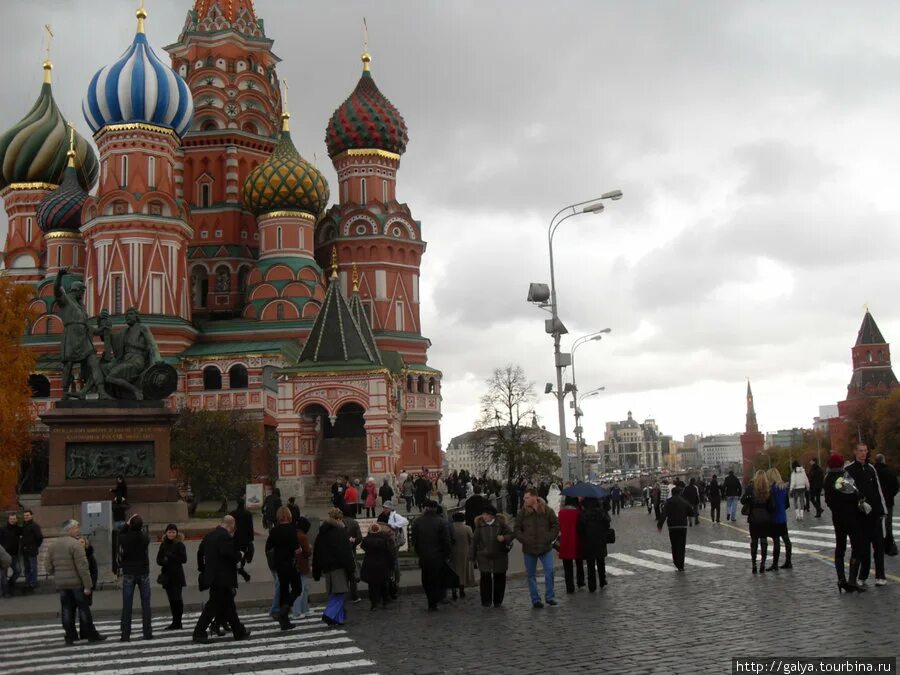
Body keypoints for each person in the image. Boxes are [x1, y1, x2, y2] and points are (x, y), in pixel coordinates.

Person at [46, 519, 106, 645]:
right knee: (83, 609)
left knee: (67, 609)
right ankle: (90, 634)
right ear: (70, 529)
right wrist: (88, 585)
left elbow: (48, 567)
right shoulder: (75, 544)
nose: (78, 530)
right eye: (76, 528)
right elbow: (83, 567)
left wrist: (57, 574)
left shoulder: (53, 545)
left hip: (62, 584)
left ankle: (70, 635)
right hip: (77, 583)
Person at [193, 515, 250, 643]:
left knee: (229, 606)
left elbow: (200, 551)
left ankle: (239, 632)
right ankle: (199, 632)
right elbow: (227, 553)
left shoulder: (210, 535)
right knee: (212, 607)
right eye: (234, 528)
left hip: (214, 576)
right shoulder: (224, 536)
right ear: (231, 526)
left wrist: (203, 569)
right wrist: (239, 555)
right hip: (222, 578)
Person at [844, 444, 888, 587]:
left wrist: (883, 509)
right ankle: (863, 575)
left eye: (865, 451)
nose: (863, 454)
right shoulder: (849, 470)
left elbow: (878, 489)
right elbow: (846, 491)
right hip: (860, 515)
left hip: (875, 513)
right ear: (855, 452)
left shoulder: (871, 468)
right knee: (863, 548)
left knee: (878, 546)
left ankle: (880, 576)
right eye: (860, 451)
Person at [824, 452, 867, 592]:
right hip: (851, 516)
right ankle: (852, 580)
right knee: (857, 546)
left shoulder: (827, 479)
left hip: (837, 517)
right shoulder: (842, 478)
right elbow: (854, 494)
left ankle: (841, 580)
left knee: (840, 547)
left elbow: (828, 500)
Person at [514, 488, 559, 609]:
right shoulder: (522, 512)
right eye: (524, 498)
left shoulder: (546, 510)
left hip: (545, 547)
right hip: (529, 548)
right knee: (531, 575)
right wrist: (523, 539)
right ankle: (535, 599)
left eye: (527, 497)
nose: (525, 500)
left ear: (534, 497)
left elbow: (555, 525)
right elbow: (516, 528)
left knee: (549, 571)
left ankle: (550, 597)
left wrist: (549, 537)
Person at [312, 508, 356, 626]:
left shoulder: (322, 533)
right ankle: (329, 615)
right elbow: (345, 552)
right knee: (340, 593)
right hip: (339, 567)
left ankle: (338, 618)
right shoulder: (340, 532)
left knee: (333, 593)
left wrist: (316, 571)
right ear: (338, 519)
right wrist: (351, 568)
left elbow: (317, 553)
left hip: (327, 568)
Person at [410, 500, 451, 611]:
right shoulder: (441, 522)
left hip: (424, 556)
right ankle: (435, 600)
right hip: (438, 556)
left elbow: (414, 541)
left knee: (426, 579)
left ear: (425, 508)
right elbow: (446, 541)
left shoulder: (417, 522)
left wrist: (419, 553)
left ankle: (430, 600)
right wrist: (446, 554)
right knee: (437, 579)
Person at [118, 514, 152, 641]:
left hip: (129, 572)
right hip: (143, 571)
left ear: (130, 525)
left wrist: (126, 525)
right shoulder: (144, 537)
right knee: (146, 604)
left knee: (127, 605)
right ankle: (147, 632)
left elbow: (119, 534)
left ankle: (125, 634)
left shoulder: (125, 538)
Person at [471, 504, 513, 607]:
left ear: (492, 515)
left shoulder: (501, 524)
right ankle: (486, 601)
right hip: (484, 556)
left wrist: (504, 538)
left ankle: (498, 601)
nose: (484, 516)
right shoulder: (480, 526)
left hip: (500, 556)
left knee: (499, 578)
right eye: (483, 514)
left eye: (486, 514)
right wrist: (471, 556)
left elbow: (511, 535)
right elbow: (474, 541)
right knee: (485, 578)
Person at [265, 506, 301, 630]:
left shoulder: (274, 531)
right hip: (289, 563)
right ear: (289, 516)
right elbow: (297, 549)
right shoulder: (292, 530)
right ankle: (284, 610)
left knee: (284, 590)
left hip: (279, 564)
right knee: (297, 588)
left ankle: (284, 621)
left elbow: (268, 547)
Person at [156, 524, 187, 630]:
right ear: (166, 533)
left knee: (177, 598)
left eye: (173, 532)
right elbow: (158, 559)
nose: (171, 534)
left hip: (177, 575)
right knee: (171, 599)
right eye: (169, 532)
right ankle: (175, 621)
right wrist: (163, 561)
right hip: (167, 575)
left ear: (176, 533)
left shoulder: (179, 544)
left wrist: (171, 556)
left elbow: (183, 559)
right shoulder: (163, 544)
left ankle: (178, 621)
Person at [742, 470, 772, 574]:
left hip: (754, 518)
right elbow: (771, 505)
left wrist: (749, 498)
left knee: (754, 541)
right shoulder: (768, 488)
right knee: (764, 541)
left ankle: (754, 564)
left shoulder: (751, 488)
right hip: (765, 518)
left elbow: (742, 500)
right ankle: (763, 563)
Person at [656, 485, 693, 571]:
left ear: (672, 493)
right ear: (680, 493)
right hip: (682, 526)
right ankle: (681, 564)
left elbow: (663, 515)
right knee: (681, 545)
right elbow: (691, 513)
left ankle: (676, 561)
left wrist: (659, 525)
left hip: (672, 526)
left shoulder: (668, 502)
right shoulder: (685, 502)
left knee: (674, 545)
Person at [360, 522, 395, 610]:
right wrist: (391, 565)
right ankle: (385, 601)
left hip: (370, 565)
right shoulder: (384, 540)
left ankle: (374, 603)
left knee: (372, 586)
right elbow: (389, 553)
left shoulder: (366, 541)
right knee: (383, 584)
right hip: (382, 564)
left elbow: (363, 546)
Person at [579, 497, 611, 591]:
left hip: (588, 541)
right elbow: (607, 524)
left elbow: (580, 529)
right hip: (600, 540)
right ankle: (602, 580)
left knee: (590, 565)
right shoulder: (601, 512)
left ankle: (592, 585)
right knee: (601, 562)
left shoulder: (584, 514)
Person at [766, 468, 792, 571]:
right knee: (786, 540)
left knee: (776, 541)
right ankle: (788, 561)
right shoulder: (783, 488)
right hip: (782, 517)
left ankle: (775, 564)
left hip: (774, 517)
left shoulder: (771, 489)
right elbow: (786, 504)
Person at [557, 496, 585, 593]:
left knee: (567, 566)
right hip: (577, 539)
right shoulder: (578, 512)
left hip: (565, 541)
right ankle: (580, 581)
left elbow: (559, 526)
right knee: (579, 562)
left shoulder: (561, 513)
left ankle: (569, 586)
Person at [873, 454, 898, 556]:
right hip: (888, 502)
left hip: (876, 503)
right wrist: (891, 495)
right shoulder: (889, 471)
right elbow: (896, 486)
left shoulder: (872, 471)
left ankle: (879, 545)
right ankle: (889, 546)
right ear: (883, 461)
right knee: (888, 525)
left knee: (877, 524)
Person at [292, 517, 313, 618]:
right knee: (302, 589)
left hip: (295, 564)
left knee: (303, 588)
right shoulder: (303, 536)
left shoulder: (294, 534)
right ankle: (298, 611)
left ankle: (304, 609)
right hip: (302, 564)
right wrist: (309, 547)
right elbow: (307, 552)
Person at [449, 512, 474, 600]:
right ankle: (462, 589)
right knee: (463, 571)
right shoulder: (467, 528)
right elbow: (472, 540)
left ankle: (453, 590)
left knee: (453, 571)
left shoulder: (450, 528)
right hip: (464, 552)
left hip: (452, 553)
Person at [229, 499, 255, 582]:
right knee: (243, 552)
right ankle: (241, 567)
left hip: (235, 537)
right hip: (245, 538)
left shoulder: (232, 514)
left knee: (235, 552)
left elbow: (229, 526)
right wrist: (251, 538)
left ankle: (237, 566)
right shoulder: (248, 514)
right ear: (244, 504)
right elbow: (250, 527)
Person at [342, 505, 363, 603]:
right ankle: (354, 595)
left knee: (343, 574)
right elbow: (359, 538)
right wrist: (354, 542)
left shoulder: (339, 523)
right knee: (352, 574)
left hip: (341, 552)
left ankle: (343, 595)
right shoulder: (354, 522)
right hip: (351, 551)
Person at [19, 510, 42, 594]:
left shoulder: (35, 526)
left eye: (28, 515)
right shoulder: (24, 525)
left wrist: (35, 546)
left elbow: (39, 537)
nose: (26, 517)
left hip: (32, 550)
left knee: (33, 568)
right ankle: (28, 582)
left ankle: (33, 583)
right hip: (25, 551)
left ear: (31, 516)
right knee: (27, 568)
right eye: (25, 515)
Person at [0, 513, 21, 597]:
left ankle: (11, 583)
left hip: (14, 555)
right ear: (8, 520)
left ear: (16, 520)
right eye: (11, 519)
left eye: (14, 519)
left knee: (18, 571)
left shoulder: (19, 529)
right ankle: (6, 592)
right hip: (4, 556)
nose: (12, 520)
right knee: (3, 575)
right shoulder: (3, 529)